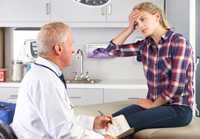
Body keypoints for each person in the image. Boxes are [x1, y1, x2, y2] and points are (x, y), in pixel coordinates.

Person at [93, 2, 194, 139]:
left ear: (157, 16)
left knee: (121, 125)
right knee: (110, 122)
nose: (139, 26)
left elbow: (176, 86)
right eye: (136, 23)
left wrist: (153, 105)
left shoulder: (178, 42)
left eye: (142, 19)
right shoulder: (145, 45)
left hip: (178, 109)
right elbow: (110, 52)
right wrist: (129, 29)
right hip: (155, 105)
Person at [11, 22, 115, 139]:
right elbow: (64, 133)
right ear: (59, 49)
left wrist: (92, 123)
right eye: (70, 45)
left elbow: (62, 120)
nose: (73, 50)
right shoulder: (46, 81)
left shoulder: (43, 74)